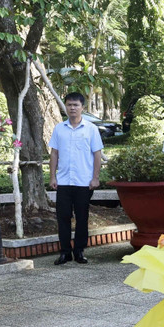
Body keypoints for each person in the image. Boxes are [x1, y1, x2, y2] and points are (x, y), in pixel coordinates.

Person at [49, 92, 104, 265]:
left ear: (82, 107)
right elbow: (54, 153)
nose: (72, 108)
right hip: (64, 182)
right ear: (65, 106)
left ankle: (79, 251)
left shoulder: (91, 129)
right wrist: (52, 176)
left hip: (83, 182)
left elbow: (97, 155)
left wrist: (95, 178)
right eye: (69, 105)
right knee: (63, 217)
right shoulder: (59, 128)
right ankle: (65, 252)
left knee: (82, 218)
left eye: (76, 105)